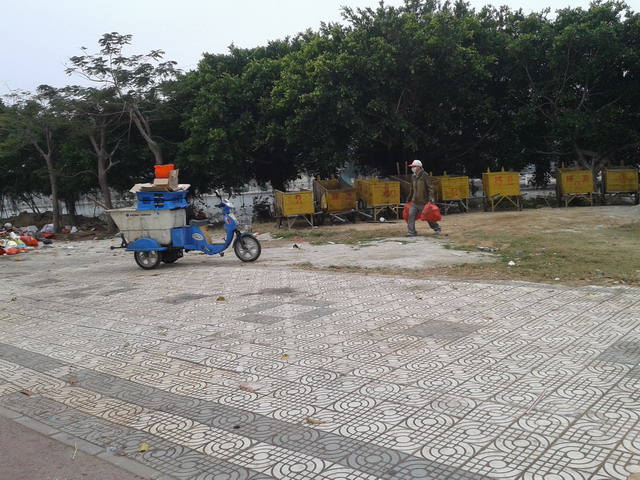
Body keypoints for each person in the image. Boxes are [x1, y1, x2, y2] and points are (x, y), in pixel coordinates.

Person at [406, 160, 441, 237]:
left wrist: (431, 198)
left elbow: (430, 187)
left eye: (414, 166)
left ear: (419, 167)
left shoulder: (425, 175)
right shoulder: (413, 176)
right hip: (414, 202)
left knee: (428, 217)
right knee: (411, 216)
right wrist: (409, 198)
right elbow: (412, 189)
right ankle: (411, 232)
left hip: (423, 202)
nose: (412, 168)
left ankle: (437, 228)